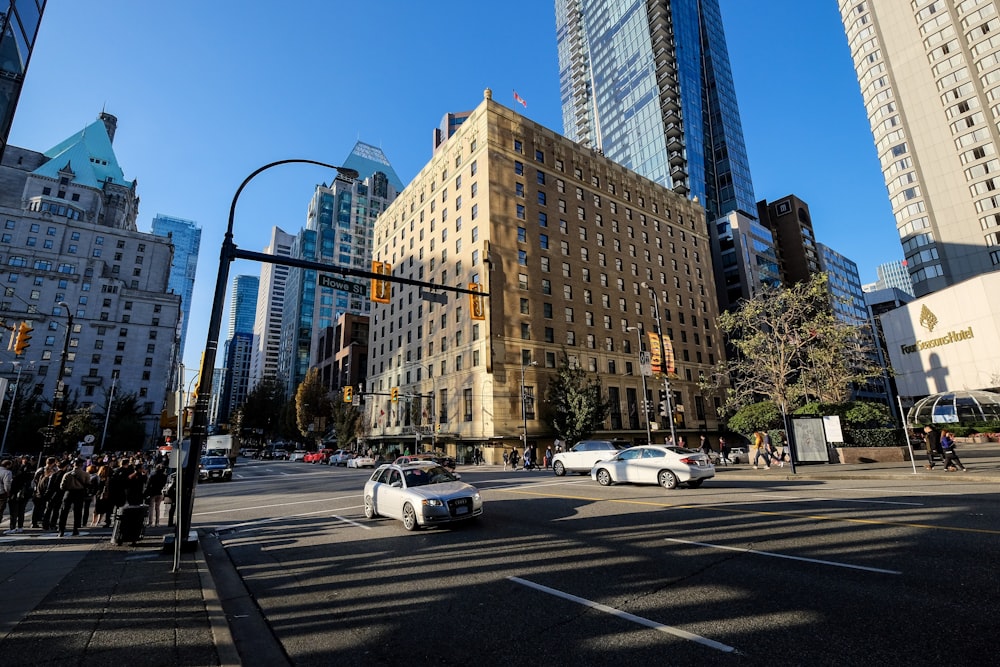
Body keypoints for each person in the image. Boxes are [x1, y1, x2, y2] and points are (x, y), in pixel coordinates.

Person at [58, 459, 91, 537]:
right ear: (81, 465)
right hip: (79, 493)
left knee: (64, 512)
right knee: (78, 512)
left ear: (74, 464)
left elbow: (62, 486)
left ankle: (61, 530)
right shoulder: (85, 474)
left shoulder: (67, 474)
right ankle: (75, 529)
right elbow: (88, 484)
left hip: (69, 493)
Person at [5, 457, 34, 533]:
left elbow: (11, 485)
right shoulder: (29, 475)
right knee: (21, 511)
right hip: (24, 494)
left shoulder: (17, 477)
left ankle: (12, 527)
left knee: (13, 512)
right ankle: (20, 527)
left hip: (15, 494)